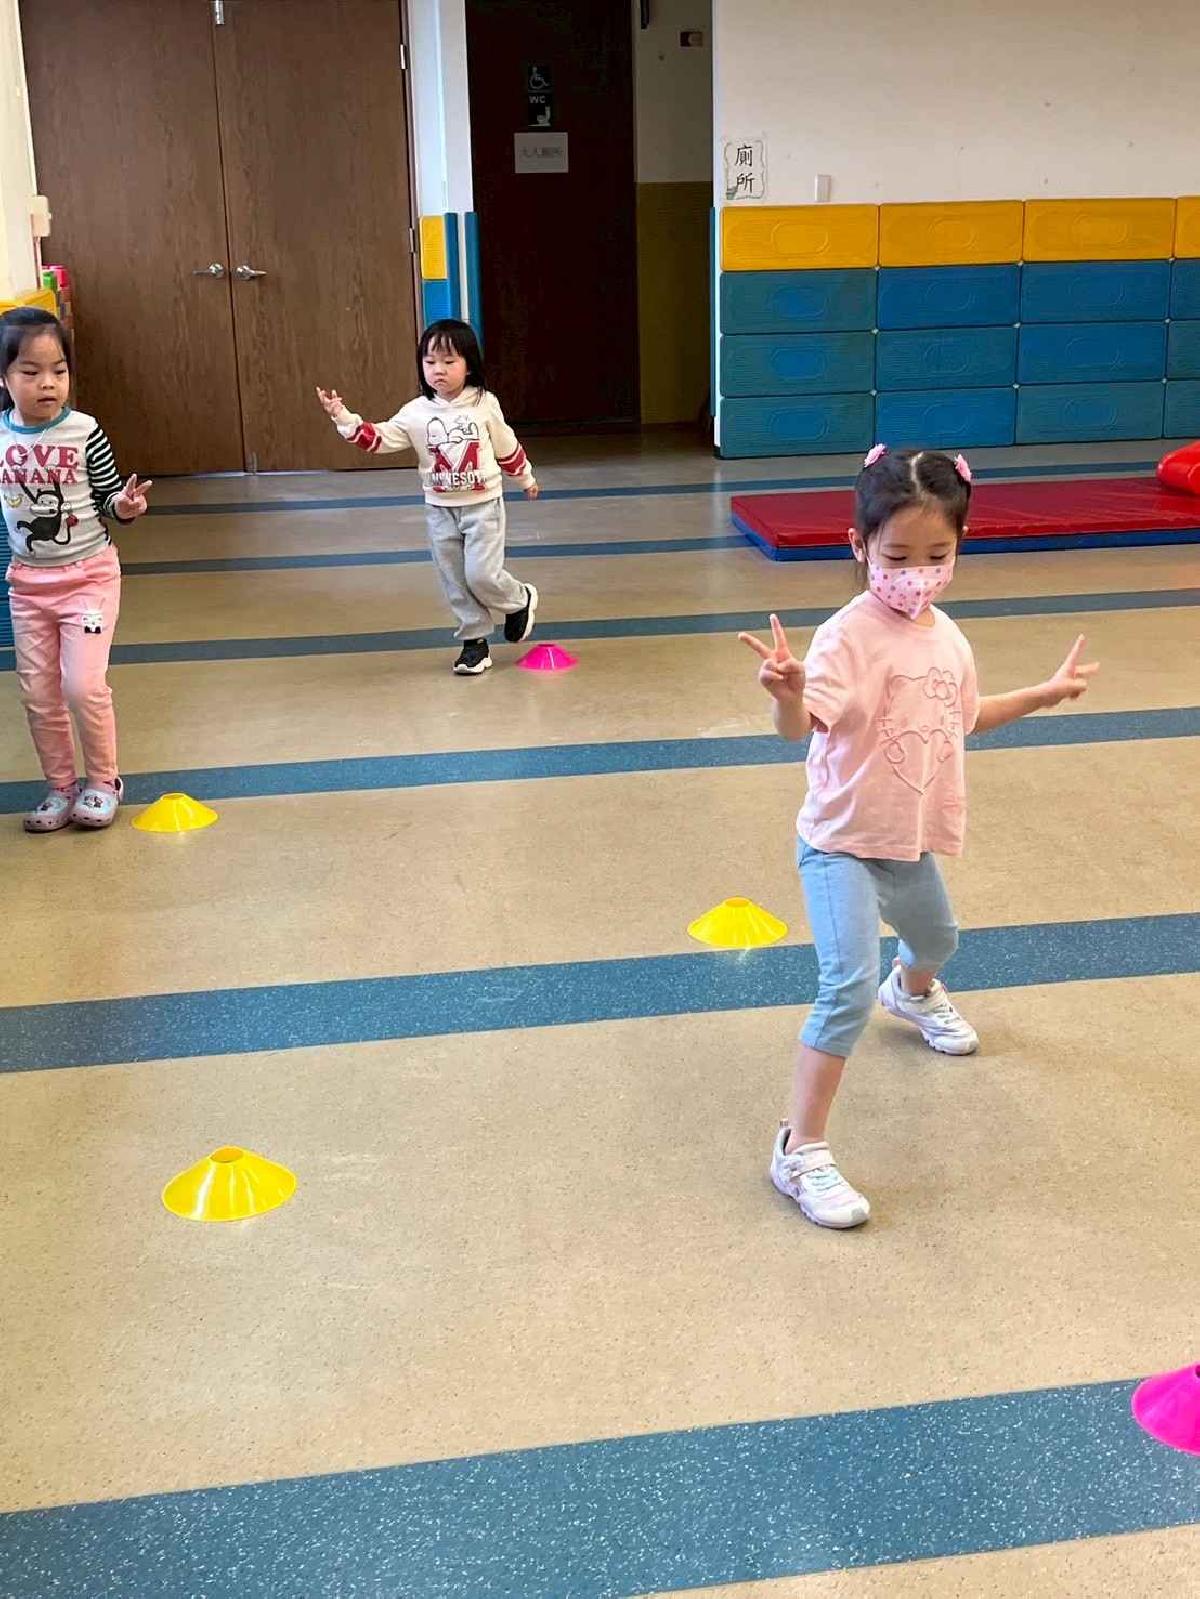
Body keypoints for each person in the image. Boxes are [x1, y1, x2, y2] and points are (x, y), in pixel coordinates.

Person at [740, 445, 1098, 1229]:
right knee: (846, 985)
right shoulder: (846, 637)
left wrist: (1042, 694)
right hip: (840, 841)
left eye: (937, 555)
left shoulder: (949, 639)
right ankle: (799, 1149)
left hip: (906, 840)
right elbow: (799, 727)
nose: (917, 573)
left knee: (938, 937)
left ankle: (911, 992)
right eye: (898, 556)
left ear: (960, 547)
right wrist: (787, 693)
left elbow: (966, 717)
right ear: (859, 545)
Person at [317, 319, 539, 676]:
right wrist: (343, 417)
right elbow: (378, 440)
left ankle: (518, 600)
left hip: (482, 507)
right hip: (440, 510)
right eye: (430, 361)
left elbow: (506, 446)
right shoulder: (416, 412)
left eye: (449, 362)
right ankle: (474, 642)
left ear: (469, 365)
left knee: (481, 575)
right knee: (454, 579)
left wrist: (525, 477)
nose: (439, 370)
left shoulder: (484, 404)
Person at [1, 308, 151, 832]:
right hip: (27, 586)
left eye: (59, 370)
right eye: (30, 371)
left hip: (88, 579)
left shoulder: (85, 431)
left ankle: (104, 782)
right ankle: (60, 787)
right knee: (38, 693)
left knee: (82, 686)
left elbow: (109, 497)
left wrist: (125, 507)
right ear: (3, 378)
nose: (48, 383)